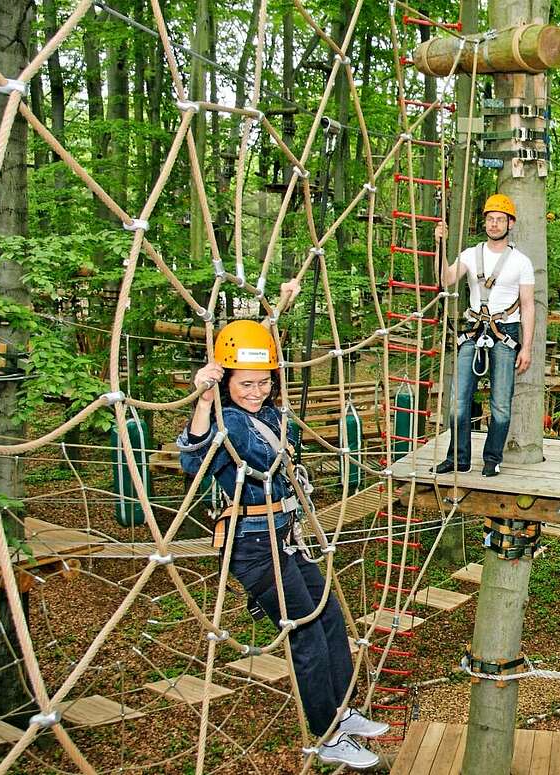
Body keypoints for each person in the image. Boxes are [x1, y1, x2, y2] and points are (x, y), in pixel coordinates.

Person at [178, 315, 388, 770]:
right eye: (245, 383)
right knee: (306, 632)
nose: (256, 391)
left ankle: (342, 711)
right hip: (252, 545)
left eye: (263, 383)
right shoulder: (226, 422)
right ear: (228, 381)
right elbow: (193, 464)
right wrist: (205, 399)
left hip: (285, 535)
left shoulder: (271, 414)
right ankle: (327, 733)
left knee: (330, 615)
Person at [432, 193, 535, 478]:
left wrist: (526, 347)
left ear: (510, 224)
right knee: (458, 402)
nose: (494, 224)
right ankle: (458, 458)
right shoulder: (470, 255)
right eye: (490, 219)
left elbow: (528, 306)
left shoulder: (521, 262)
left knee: (501, 405)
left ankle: (492, 458)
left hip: (506, 333)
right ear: (485, 223)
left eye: (500, 220)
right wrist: (440, 244)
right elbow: (446, 280)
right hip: (474, 330)